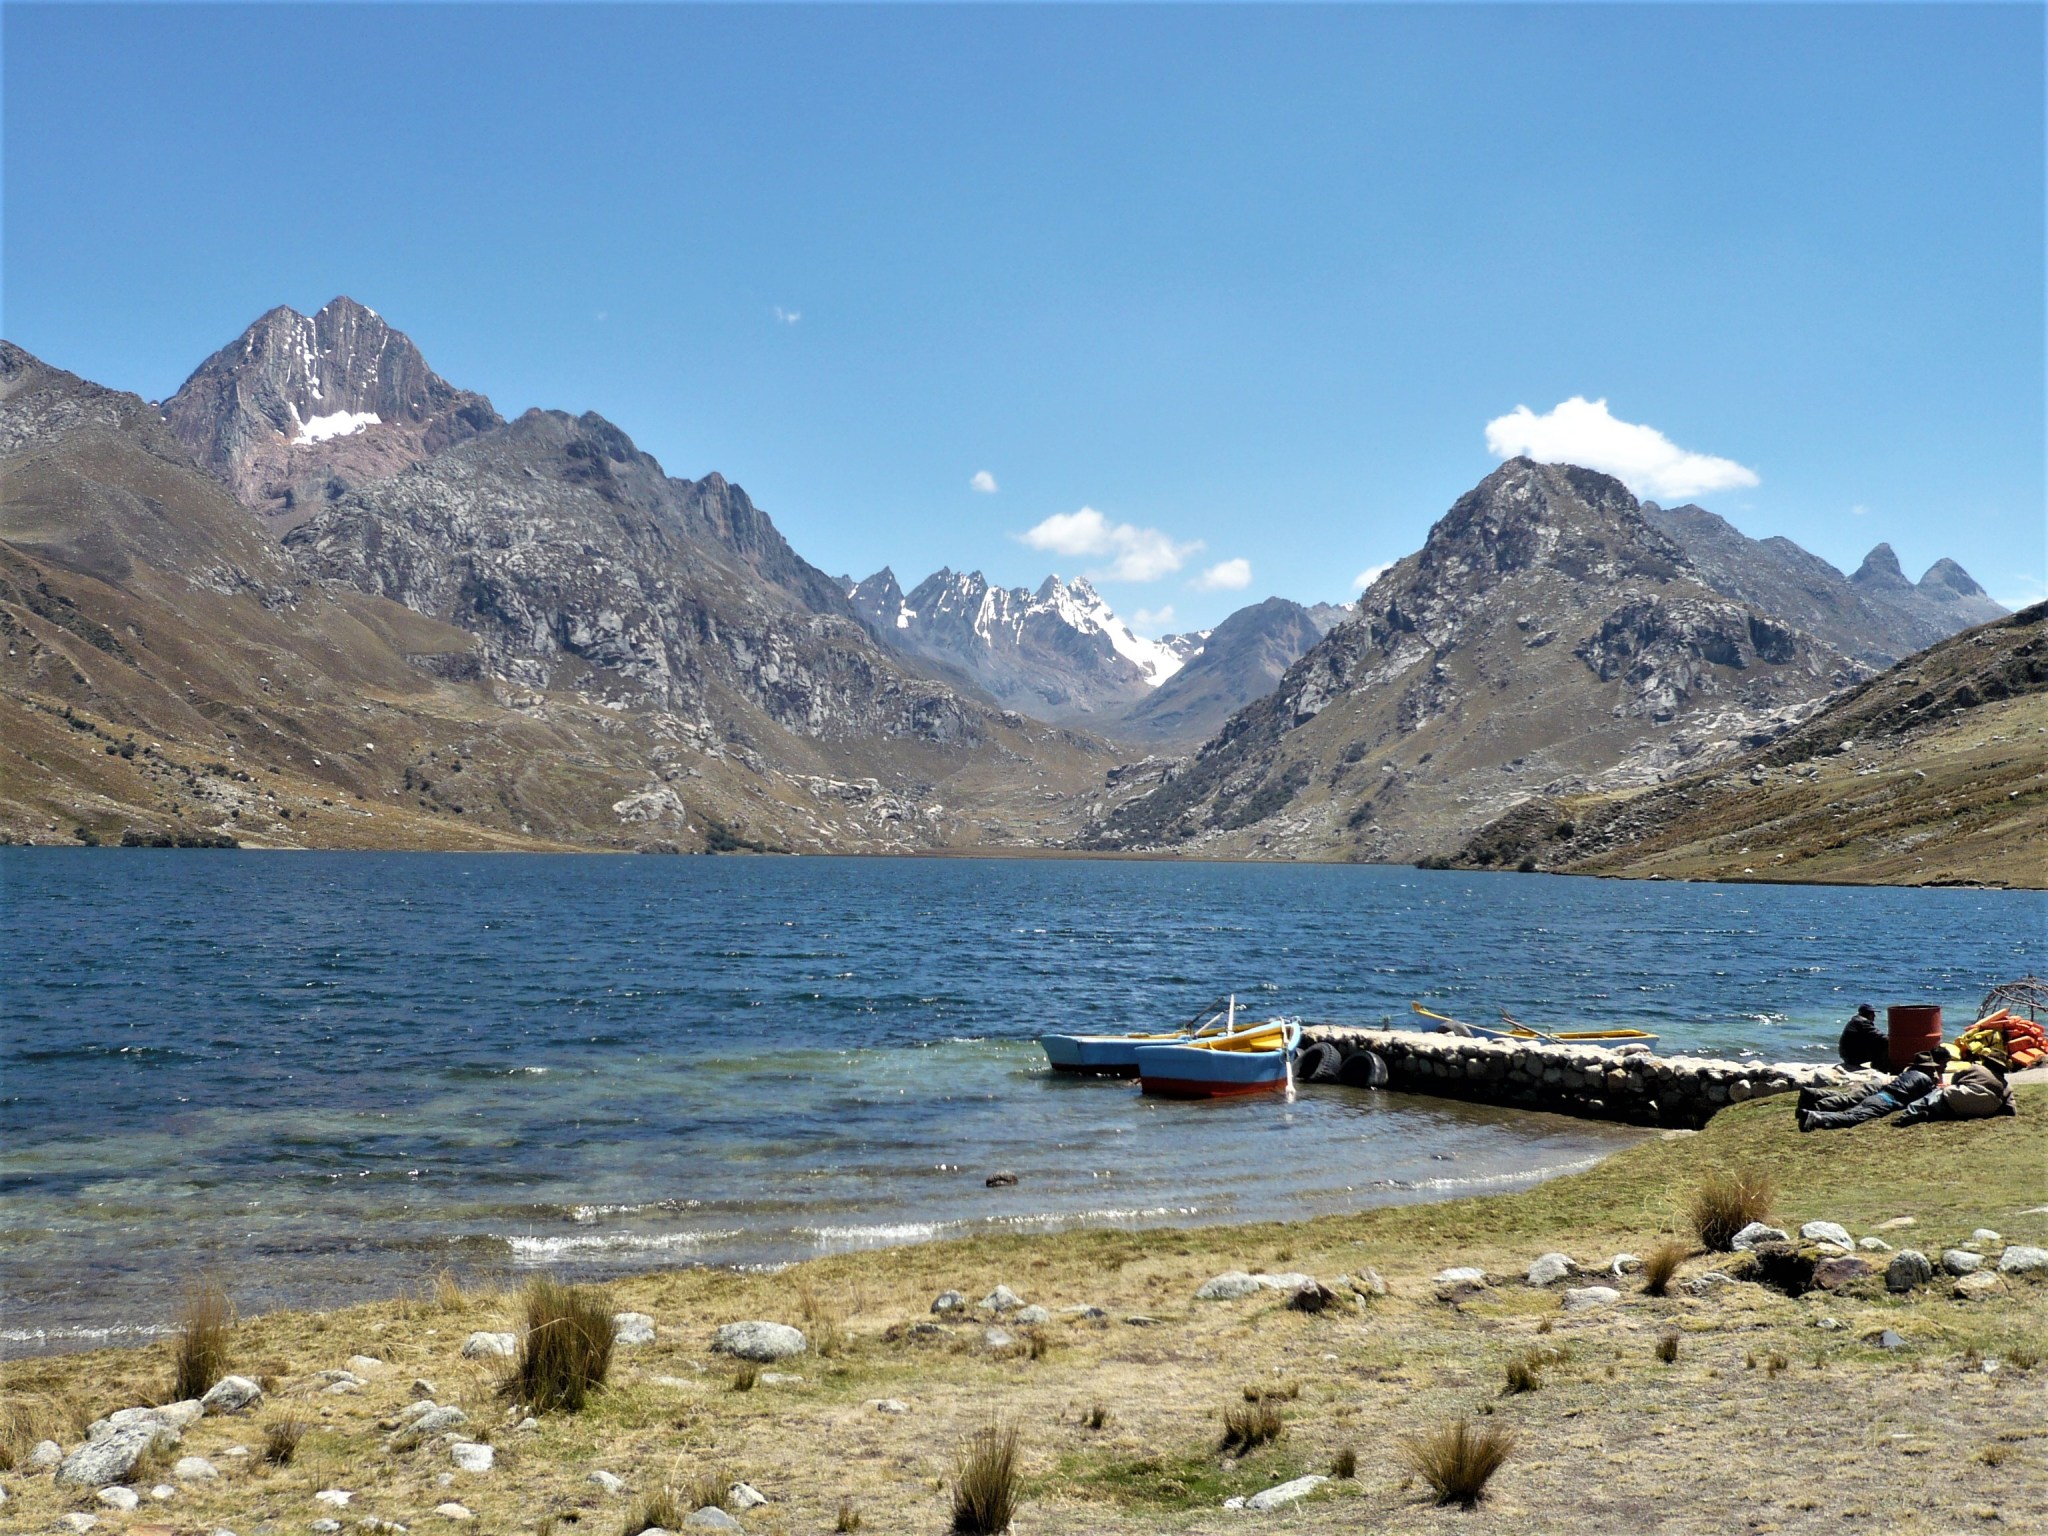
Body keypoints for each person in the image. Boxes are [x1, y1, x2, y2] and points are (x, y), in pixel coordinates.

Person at [1797, 1050, 1940, 1132]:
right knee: (1852, 1118)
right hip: (1885, 1102)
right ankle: (1817, 1118)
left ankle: (1813, 1114)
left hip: (1878, 1096)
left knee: (1849, 1111)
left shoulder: (1907, 1073)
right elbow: (1929, 1097)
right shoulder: (1924, 1079)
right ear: (1927, 1067)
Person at [1895, 1055, 2017, 1124]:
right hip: (1988, 1107)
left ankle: (1910, 1113)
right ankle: (1930, 1114)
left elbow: (1955, 1079)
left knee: (1937, 1096)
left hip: (1964, 1095)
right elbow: (2011, 1109)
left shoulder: (1976, 1068)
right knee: (1956, 1107)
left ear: (1987, 1062)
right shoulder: (2006, 1085)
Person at [1837, 1004, 1888, 1070]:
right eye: (1873, 1014)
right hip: (1852, 1057)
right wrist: (1896, 1040)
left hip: (1847, 1055)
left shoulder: (1856, 1020)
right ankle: (1880, 1069)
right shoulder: (1863, 1022)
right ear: (1868, 1014)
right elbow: (1880, 1037)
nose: (1874, 1016)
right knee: (1885, 1044)